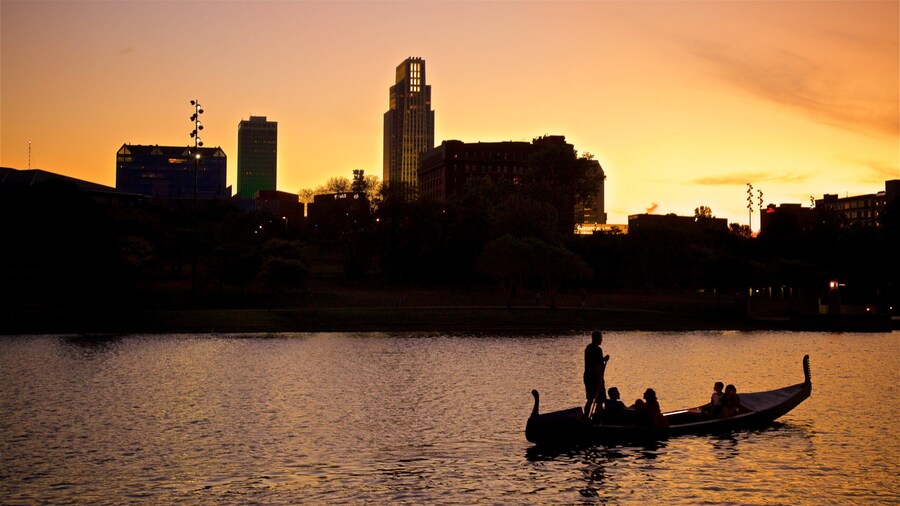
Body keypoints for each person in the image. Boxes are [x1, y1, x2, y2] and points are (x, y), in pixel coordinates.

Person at [583, 330, 610, 419]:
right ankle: (597, 418)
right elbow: (597, 366)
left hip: (587, 377)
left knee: (590, 399)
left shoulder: (588, 348)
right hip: (595, 378)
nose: (601, 340)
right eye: (600, 338)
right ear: (597, 339)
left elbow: (594, 362)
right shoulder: (598, 350)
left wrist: (603, 359)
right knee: (600, 400)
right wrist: (600, 382)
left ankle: (586, 417)